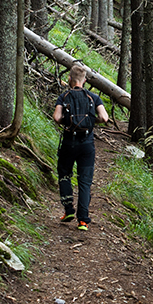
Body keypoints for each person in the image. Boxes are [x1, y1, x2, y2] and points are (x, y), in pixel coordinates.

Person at [52, 63, 111, 229]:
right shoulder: (93, 97)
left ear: (69, 79)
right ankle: (83, 219)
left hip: (69, 142)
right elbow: (104, 118)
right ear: (84, 80)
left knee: (64, 174)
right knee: (85, 181)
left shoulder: (64, 97)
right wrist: (92, 121)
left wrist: (68, 122)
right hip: (87, 145)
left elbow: (57, 117)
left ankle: (68, 209)